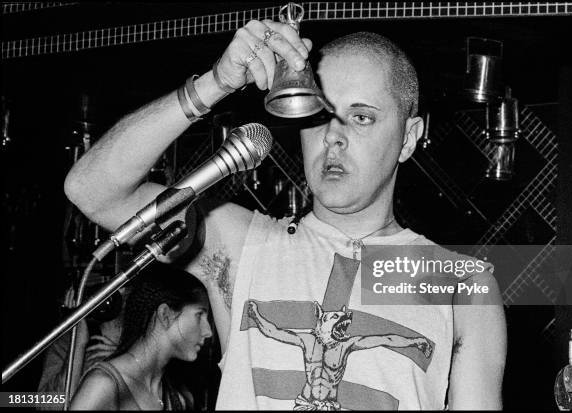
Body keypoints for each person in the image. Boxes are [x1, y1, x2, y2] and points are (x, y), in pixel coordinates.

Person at [64, 19, 506, 410]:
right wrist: (213, 84)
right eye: (321, 114)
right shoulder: (239, 243)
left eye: (362, 117)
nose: (333, 136)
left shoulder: (462, 285)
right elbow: (92, 190)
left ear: (409, 139)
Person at [69, 263, 212, 410]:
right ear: (165, 315)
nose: (208, 331)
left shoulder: (177, 395)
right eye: (199, 315)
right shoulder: (103, 385)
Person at [37, 282, 123, 410]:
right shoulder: (67, 343)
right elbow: (48, 405)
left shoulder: (141, 339)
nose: (108, 300)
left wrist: (124, 359)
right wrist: (77, 344)